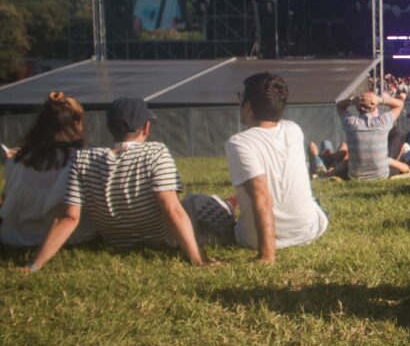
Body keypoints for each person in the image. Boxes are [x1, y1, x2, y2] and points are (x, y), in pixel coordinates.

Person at [24, 97, 213, 271]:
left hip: (116, 244)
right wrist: (198, 260)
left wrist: (34, 265)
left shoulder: (82, 159)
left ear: (108, 127)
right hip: (162, 241)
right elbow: (172, 210)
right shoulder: (156, 153)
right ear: (146, 127)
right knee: (194, 202)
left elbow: (68, 218)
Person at [226, 73, 328, 262]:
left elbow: (262, 197)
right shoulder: (294, 130)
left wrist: (266, 256)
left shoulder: (239, 143)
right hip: (307, 231)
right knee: (315, 204)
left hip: (253, 240)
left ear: (247, 105)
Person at [1, 92, 96, 248]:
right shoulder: (86, 156)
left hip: (16, 235)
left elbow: (6, 199)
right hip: (73, 235)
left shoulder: (20, 158)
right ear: (76, 123)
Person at [337, 90, 410, 179]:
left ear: (358, 108)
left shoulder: (350, 123)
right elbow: (400, 104)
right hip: (380, 175)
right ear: (374, 107)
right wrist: (380, 100)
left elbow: (339, 106)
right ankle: (409, 168)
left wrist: (352, 101)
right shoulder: (383, 122)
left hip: (355, 176)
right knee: (399, 137)